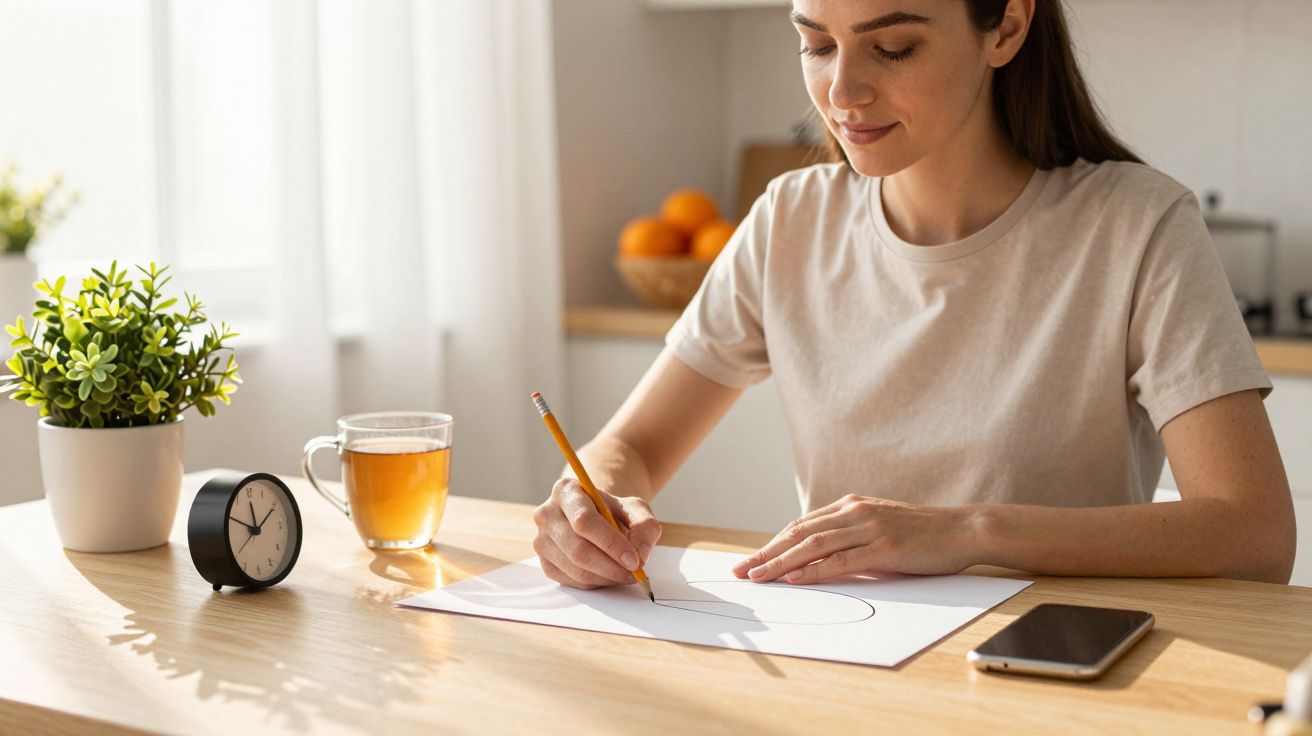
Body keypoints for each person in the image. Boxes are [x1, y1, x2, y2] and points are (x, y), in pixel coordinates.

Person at [532, 0, 1295, 590]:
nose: (842, 91)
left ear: (1007, 28)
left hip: (1046, 677)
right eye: (817, 45)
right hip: (847, 669)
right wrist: (589, 502)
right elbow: (631, 448)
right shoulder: (791, 220)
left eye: (893, 47)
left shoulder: (1137, 226)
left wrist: (967, 532)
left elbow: (1255, 534)